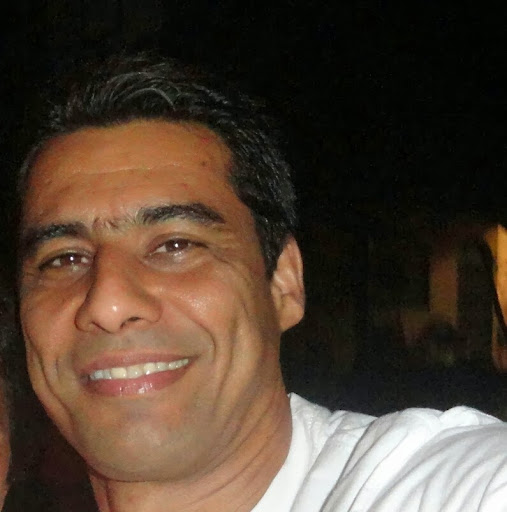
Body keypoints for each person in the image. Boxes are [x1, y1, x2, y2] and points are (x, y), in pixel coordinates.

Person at [16, 53, 507, 511]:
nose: (108, 303)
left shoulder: (459, 487)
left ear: (283, 284)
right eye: (64, 258)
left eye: (176, 245)